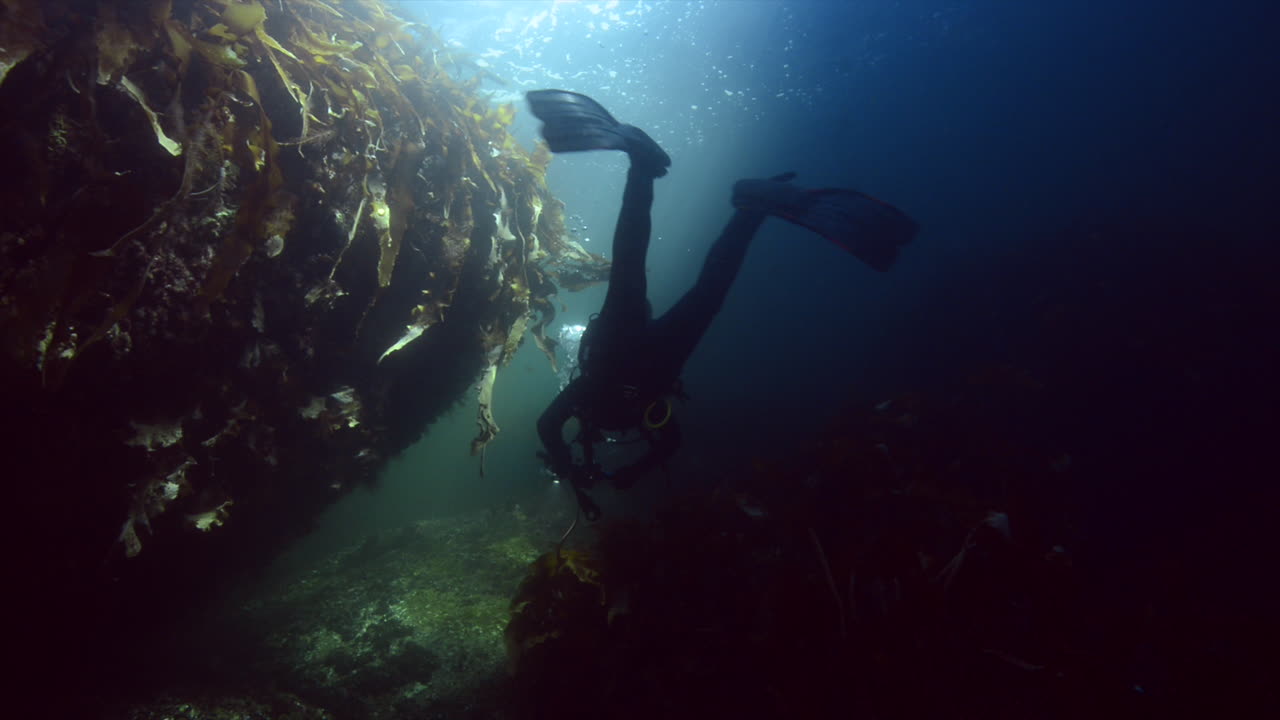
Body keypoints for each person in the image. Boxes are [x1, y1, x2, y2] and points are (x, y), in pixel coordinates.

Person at [530, 90, 917, 519]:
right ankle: (745, 206)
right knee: (673, 284)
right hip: (651, 362)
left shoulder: (586, 399)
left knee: (687, 289)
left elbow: (548, 426)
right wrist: (632, 474)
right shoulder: (616, 410)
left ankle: (671, 179)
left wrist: (575, 473)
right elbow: (669, 441)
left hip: (626, 357)